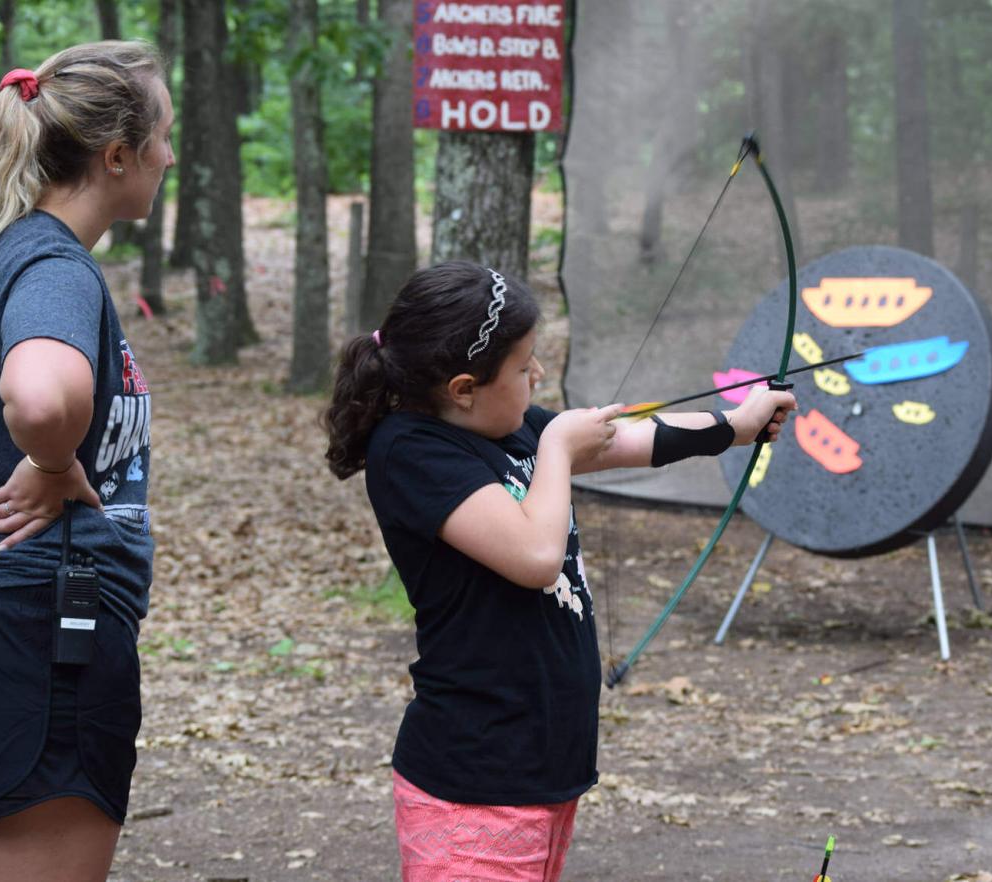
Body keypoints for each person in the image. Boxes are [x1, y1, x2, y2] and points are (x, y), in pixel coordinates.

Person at [323, 261, 797, 881]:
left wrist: (733, 427)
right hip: (474, 780)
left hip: (539, 768)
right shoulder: (411, 452)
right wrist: (558, 448)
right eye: (523, 368)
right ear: (463, 388)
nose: (538, 375)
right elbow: (534, 557)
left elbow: (627, 437)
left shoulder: (510, 426)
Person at [0, 41, 172, 882]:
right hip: (40, 633)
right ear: (116, 155)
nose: (171, 154)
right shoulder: (54, 265)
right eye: (165, 134)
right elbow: (46, 398)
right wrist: (49, 463)